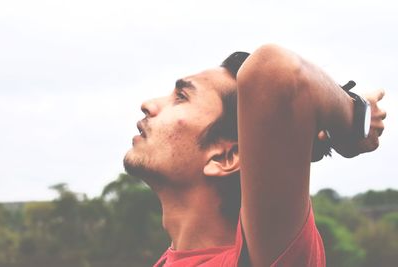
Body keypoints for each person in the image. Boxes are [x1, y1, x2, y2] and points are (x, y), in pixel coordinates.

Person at [123, 44, 386, 267]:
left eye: (181, 97)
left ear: (227, 156)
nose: (149, 104)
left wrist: (355, 121)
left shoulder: (270, 254)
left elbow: (275, 70)